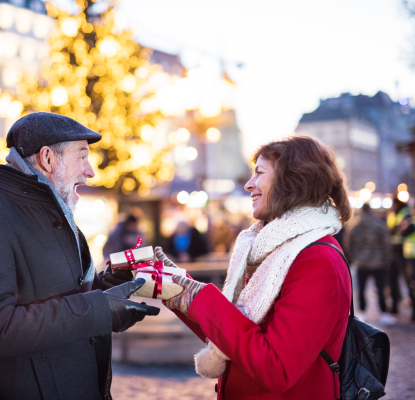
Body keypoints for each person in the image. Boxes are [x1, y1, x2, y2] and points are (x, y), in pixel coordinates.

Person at [0, 112, 159, 399]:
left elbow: (66, 298)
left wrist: (109, 283)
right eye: (82, 156)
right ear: (48, 159)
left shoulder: (57, 216)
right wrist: (99, 309)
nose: (90, 171)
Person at [160, 136, 352, 399]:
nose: (249, 184)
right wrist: (173, 285)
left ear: (293, 181)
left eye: (260, 173)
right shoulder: (272, 249)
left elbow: (277, 368)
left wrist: (197, 296)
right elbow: (233, 335)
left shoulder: (317, 260)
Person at [348, 203, 394, 324]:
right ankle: (384, 313)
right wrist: (386, 260)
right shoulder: (378, 225)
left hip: (362, 263)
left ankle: (362, 312)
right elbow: (386, 244)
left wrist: (355, 258)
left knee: (361, 288)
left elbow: (349, 244)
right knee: (380, 288)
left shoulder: (356, 227)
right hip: (378, 263)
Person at [387, 197, 413, 315]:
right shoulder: (394, 214)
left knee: (409, 282)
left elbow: (406, 231)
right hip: (394, 250)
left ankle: (413, 310)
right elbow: (390, 230)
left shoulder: (407, 214)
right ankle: (394, 307)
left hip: (406, 253)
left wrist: (397, 230)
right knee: (393, 280)